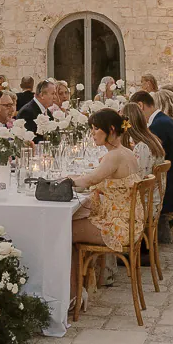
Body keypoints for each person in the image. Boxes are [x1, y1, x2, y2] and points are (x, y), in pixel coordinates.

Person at [63, 108, 143, 254]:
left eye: (96, 128)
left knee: (63, 231)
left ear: (111, 129)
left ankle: (76, 277)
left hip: (119, 228)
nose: (92, 133)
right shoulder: (126, 151)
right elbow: (94, 176)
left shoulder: (114, 156)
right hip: (129, 222)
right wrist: (72, 178)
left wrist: (67, 182)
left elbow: (91, 180)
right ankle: (87, 275)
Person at [132, 90, 173, 244]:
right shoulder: (165, 120)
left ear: (140, 106)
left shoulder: (158, 125)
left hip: (167, 189)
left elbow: (145, 164)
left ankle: (135, 242)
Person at [123, 101, 163, 174]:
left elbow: (137, 179)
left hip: (147, 185)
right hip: (157, 184)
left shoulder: (141, 147)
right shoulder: (153, 139)